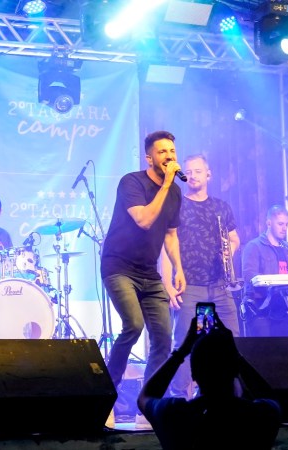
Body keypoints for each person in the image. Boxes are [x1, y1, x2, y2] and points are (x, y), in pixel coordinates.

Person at [101, 130, 186, 429]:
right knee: (134, 325)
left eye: (172, 152)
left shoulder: (175, 193)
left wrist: (178, 268)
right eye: (163, 152)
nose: (169, 157)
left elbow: (171, 234)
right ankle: (105, 400)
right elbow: (145, 219)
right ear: (149, 158)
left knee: (163, 337)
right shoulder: (132, 183)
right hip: (119, 267)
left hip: (149, 272)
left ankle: (147, 405)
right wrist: (166, 185)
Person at [159, 153, 241, 398]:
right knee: (186, 344)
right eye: (189, 172)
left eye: (198, 171)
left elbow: (234, 238)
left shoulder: (221, 207)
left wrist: (228, 251)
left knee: (230, 339)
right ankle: (179, 399)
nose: (193, 176)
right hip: (190, 287)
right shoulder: (177, 205)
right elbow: (166, 247)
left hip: (219, 286)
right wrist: (167, 284)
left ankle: (226, 395)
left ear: (208, 174)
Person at [138, 315, 281, 450]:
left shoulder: (176, 415)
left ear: (193, 374)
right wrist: (235, 354)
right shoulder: (258, 416)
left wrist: (182, 351)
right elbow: (272, 399)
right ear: (235, 370)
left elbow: (145, 397)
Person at [240, 205, 288, 338]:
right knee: (265, 350)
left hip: (282, 308)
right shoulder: (254, 246)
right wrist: (273, 283)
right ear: (269, 223)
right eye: (280, 224)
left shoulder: (287, 248)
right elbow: (249, 274)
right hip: (261, 310)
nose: (284, 228)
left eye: (286, 224)